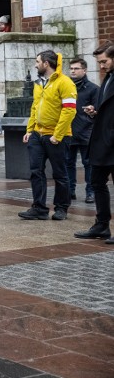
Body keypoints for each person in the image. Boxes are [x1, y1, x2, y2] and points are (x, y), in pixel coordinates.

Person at [18, 50, 77, 221]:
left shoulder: (65, 83)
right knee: (36, 171)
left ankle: (61, 208)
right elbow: (35, 107)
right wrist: (30, 130)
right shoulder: (38, 83)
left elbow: (69, 111)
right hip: (38, 134)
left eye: (38, 62)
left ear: (46, 63)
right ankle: (39, 208)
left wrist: (57, 135)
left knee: (60, 173)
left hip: (57, 136)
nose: (35, 65)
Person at [75, 43, 114, 244]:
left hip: (111, 143)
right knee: (97, 182)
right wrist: (95, 111)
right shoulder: (107, 79)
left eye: (104, 61)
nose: (101, 66)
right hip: (102, 143)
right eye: (99, 62)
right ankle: (102, 224)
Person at [65, 57, 98, 203]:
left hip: (86, 131)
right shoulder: (65, 87)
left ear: (84, 70)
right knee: (68, 162)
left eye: (76, 68)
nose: (73, 71)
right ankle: (70, 191)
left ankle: (90, 192)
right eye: (71, 68)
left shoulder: (93, 88)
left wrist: (93, 110)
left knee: (88, 164)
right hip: (68, 130)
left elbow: (98, 110)